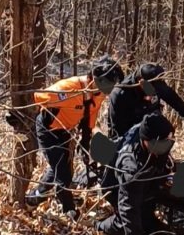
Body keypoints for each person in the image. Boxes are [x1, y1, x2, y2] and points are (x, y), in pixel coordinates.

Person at [26, 55, 124, 213]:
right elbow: (36, 97)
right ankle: (69, 210)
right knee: (63, 176)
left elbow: (90, 115)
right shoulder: (66, 89)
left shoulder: (98, 94)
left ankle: (34, 198)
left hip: (66, 131)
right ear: (95, 77)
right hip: (48, 130)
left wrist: (85, 140)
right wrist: (20, 115)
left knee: (60, 169)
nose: (108, 89)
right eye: (107, 83)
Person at [95, 112, 175, 235]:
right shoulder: (130, 164)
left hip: (144, 180)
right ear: (148, 141)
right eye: (163, 142)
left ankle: (147, 219)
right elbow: (127, 205)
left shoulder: (149, 130)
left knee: (156, 228)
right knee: (125, 222)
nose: (167, 146)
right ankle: (99, 227)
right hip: (116, 188)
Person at [107, 63, 184, 140]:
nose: (155, 92)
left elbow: (173, 99)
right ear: (141, 82)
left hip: (149, 128)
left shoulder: (156, 84)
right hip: (127, 134)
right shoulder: (120, 94)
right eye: (152, 89)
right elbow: (118, 131)